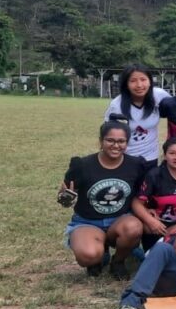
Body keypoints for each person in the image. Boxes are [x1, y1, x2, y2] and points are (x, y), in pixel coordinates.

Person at [61, 119, 151, 279]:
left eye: (121, 141)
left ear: (127, 143)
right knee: (88, 255)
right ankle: (99, 253)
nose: (116, 145)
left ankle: (118, 261)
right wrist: (65, 198)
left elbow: (140, 194)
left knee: (134, 227)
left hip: (120, 220)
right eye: (110, 140)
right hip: (88, 221)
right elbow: (65, 197)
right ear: (101, 141)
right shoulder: (82, 165)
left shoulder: (135, 165)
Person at [131, 137, 176, 250]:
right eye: (172, 153)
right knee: (145, 231)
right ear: (165, 155)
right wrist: (151, 221)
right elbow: (137, 203)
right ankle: (141, 249)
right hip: (158, 223)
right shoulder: (154, 175)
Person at [104, 64, 172, 161]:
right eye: (133, 81)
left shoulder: (159, 95)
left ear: (150, 81)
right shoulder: (116, 105)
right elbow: (108, 134)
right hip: (125, 158)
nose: (139, 85)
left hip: (151, 157)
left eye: (143, 80)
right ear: (126, 84)